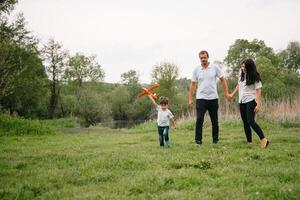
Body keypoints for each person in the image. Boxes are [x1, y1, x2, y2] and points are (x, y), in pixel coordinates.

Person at [188, 50, 230, 145]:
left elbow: (223, 80)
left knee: (214, 120)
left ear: (208, 57)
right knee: (199, 120)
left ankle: (215, 140)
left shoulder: (215, 68)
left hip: (213, 98)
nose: (203, 59)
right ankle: (198, 141)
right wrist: (190, 99)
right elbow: (193, 84)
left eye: (204, 57)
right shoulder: (197, 70)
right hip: (201, 98)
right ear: (199, 59)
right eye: (201, 58)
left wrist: (226, 93)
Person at [229, 58, 269, 148]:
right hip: (242, 101)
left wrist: (258, 104)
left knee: (250, 121)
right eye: (242, 66)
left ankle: (263, 139)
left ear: (249, 67)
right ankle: (249, 142)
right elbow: (238, 85)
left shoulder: (255, 76)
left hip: (251, 100)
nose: (243, 68)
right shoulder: (241, 75)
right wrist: (232, 94)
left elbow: (258, 91)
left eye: (245, 67)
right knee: (245, 122)